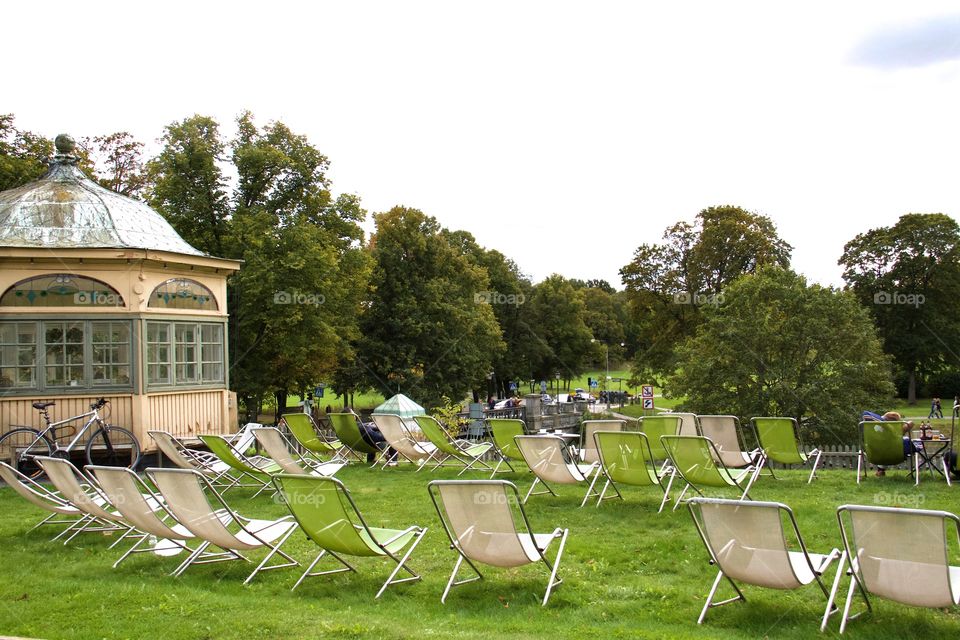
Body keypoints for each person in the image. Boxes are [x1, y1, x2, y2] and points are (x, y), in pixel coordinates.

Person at [862, 410, 915, 476]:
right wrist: (887, 426)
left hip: (875, 454)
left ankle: (880, 471)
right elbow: (911, 423)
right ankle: (880, 471)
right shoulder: (895, 435)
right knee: (889, 447)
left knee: (884, 448)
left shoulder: (874, 430)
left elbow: (865, 413)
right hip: (895, 456)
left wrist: (885, 424)